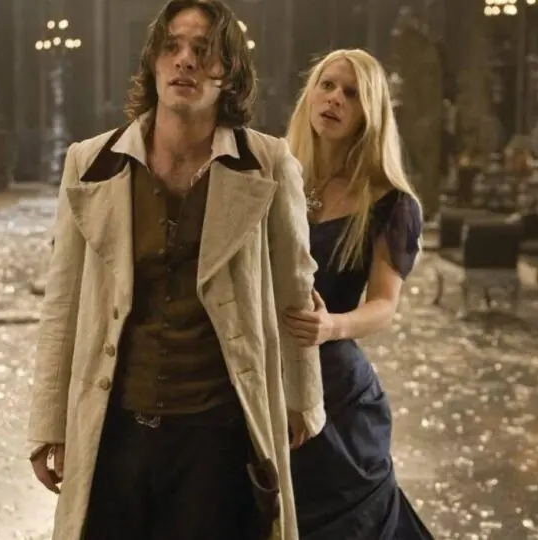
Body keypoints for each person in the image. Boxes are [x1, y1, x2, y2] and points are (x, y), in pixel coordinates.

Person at [26, 1, 326, 539]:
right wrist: (50, 422)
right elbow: (63, 302)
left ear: (228, 71)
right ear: (154, 62)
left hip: (216, 431)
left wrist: (302, 398)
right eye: (173, 47)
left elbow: (294, 289)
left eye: (203, 50)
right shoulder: (92, 163)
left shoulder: (267, 163)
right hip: (116, 424)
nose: (185, 60)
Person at [281, 49, 435, 540]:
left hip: (336, 392)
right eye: (327, 85)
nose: (335, 99)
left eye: (351, 93)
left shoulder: (390, 202)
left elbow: (384, 305)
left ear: (369, 113)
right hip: (262, 379)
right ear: (310, 94)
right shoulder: (274, 178)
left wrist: (332, 326)